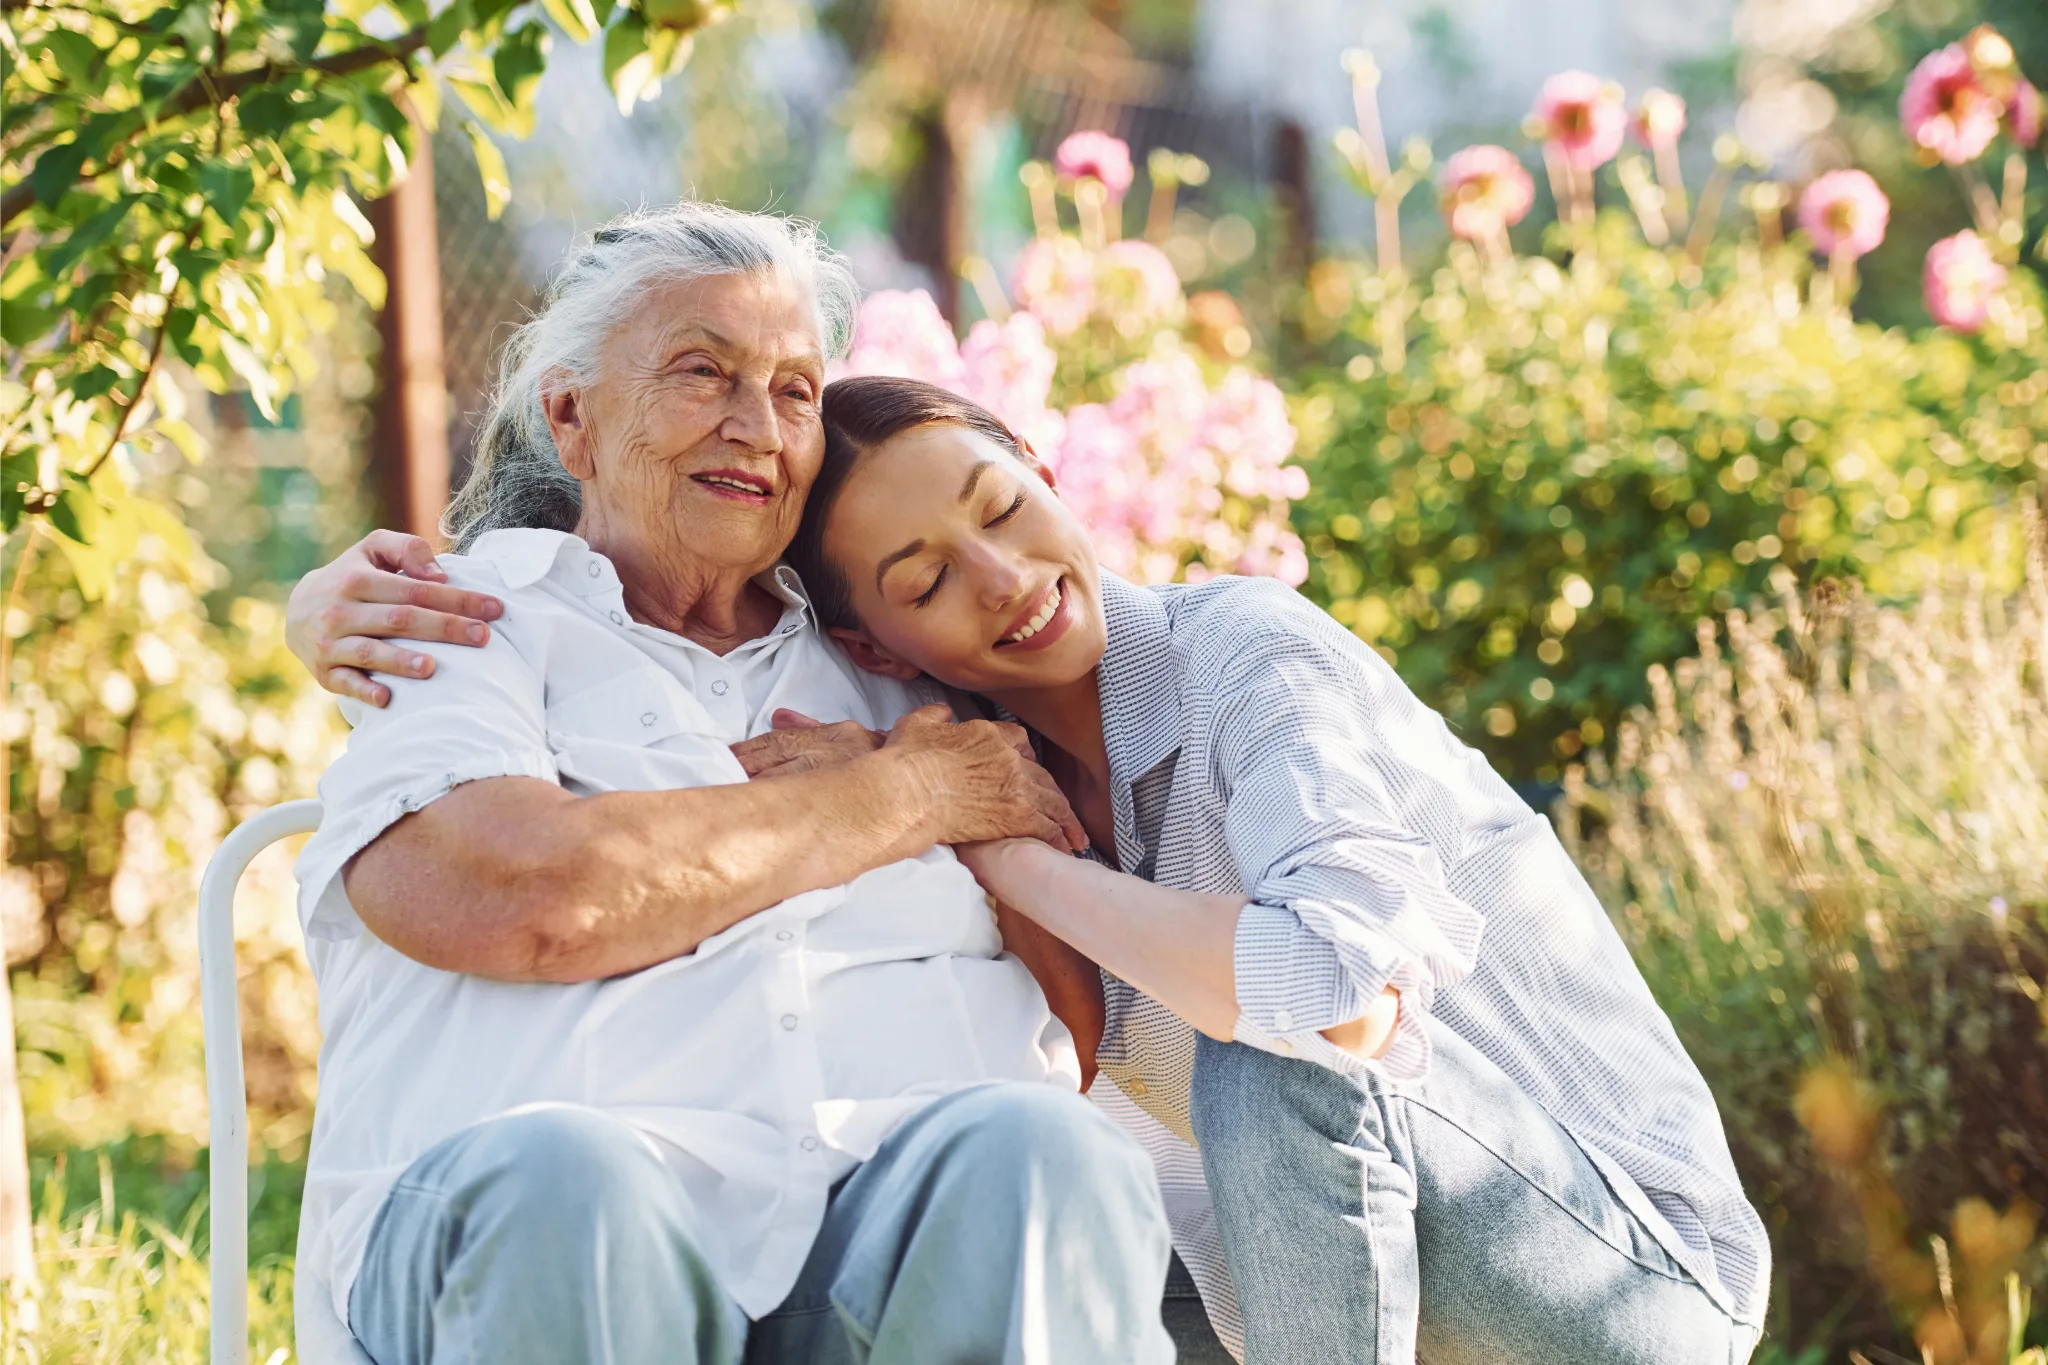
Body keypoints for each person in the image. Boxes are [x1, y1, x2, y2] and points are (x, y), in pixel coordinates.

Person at [296, 368, 1774, 1364]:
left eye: (1003, 510)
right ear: (867, 640)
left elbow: (1339, 999)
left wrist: (1006, 855)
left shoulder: (1240, 655)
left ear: (1049, 475)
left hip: (1616, 1273)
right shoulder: (924, 734)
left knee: (1266, 1062)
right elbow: (626, 601)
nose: (1003, 581)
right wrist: (324, 609)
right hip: (1269, 1277)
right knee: (1032, 1238)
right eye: (926, 579)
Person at [284, 206, 1175, 1365]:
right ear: (570, 417)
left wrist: (962, 804)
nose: (757, 428)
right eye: (701, 373)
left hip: (885, 1257)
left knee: (1044, 1153)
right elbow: (516, 895)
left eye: (795, 391)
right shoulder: (465, 624)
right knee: (568, 1180)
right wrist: (902, 800)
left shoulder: (888, 646)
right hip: (549, 1249)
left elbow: (1071, 1022)